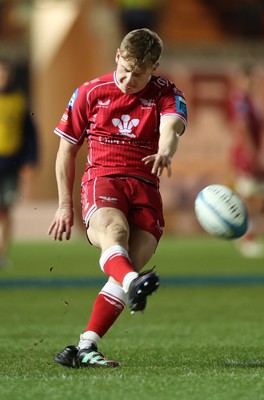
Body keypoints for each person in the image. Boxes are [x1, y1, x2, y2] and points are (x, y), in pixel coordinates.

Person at [48, 28, 187, 368]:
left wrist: (165, 152)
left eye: (138, 74)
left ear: (154, 67)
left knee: (129, 265)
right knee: (116, 234)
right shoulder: (90, 92)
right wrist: (65, 204)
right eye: (124, 69)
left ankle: (85, 346)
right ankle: (132, 281)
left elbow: (171, 128)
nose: (128, 79)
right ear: (117, 56)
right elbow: (66, 150)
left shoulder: (167, 93)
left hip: (146, 187)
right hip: (103, 179)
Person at [227, 64, 264, 258]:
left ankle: (244, 230)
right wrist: (252, 154)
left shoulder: (252, 101)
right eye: (251, 79)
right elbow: (242, 127)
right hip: (246, 154)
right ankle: (246, 237)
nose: (254, 83)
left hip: (255, 152)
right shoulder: (241, 100)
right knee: (247, 196)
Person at [0, 57, 38, 269]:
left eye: (5, 74)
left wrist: (31, 160)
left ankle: (3, 254)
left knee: (5, 209)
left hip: (10, 164)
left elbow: (30, 134)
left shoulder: (19, 100)